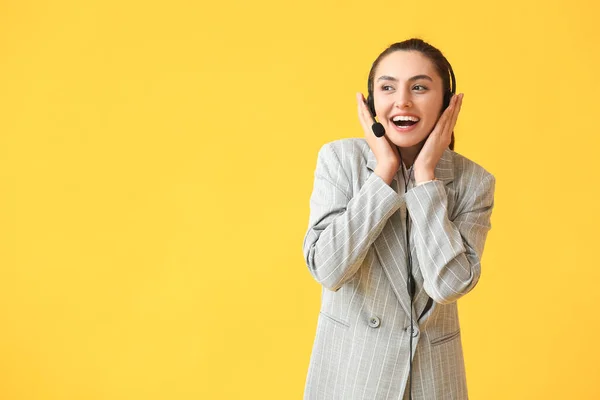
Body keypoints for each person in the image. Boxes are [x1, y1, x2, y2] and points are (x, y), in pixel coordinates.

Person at [302, 38, 496, 400]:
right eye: (387, 87)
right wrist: (384, 174)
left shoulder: (474, 181)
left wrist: (426, 178)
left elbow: (450, 285)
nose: (402, 101)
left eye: (419, 87)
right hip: (352, 375)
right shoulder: (340, 161)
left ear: (447, 103)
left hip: (432, 381)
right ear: (371, 101)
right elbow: (328, 269)